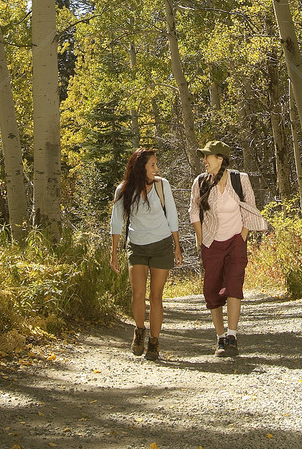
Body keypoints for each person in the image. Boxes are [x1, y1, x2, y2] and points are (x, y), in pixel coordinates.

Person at [189, 140, 267, 357]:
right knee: (212, 291)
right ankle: (220, 338)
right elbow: (194, 212)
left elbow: (250, 209)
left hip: (235, 241)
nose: (204, 161)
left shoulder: (240, 180)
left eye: (208, 156)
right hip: (211, 242)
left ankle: (232, 336)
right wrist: (202, 239)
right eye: (203, 157)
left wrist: (242, 238)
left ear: (220, 158)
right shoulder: (200, 182)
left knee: (234, 286)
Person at [110, 148, 183, 360]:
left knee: (156, 296)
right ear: (141, 167)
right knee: (138, 293)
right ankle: (139, 331)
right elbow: (116, 222)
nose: (156, 168)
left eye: (156, 164)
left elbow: (172, 216)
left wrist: (177, 246)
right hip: (137, 246)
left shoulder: (162, 185)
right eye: (152, 164)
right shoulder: (123, 190)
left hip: (161, 245)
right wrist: (113, 253)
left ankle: (154, 341)